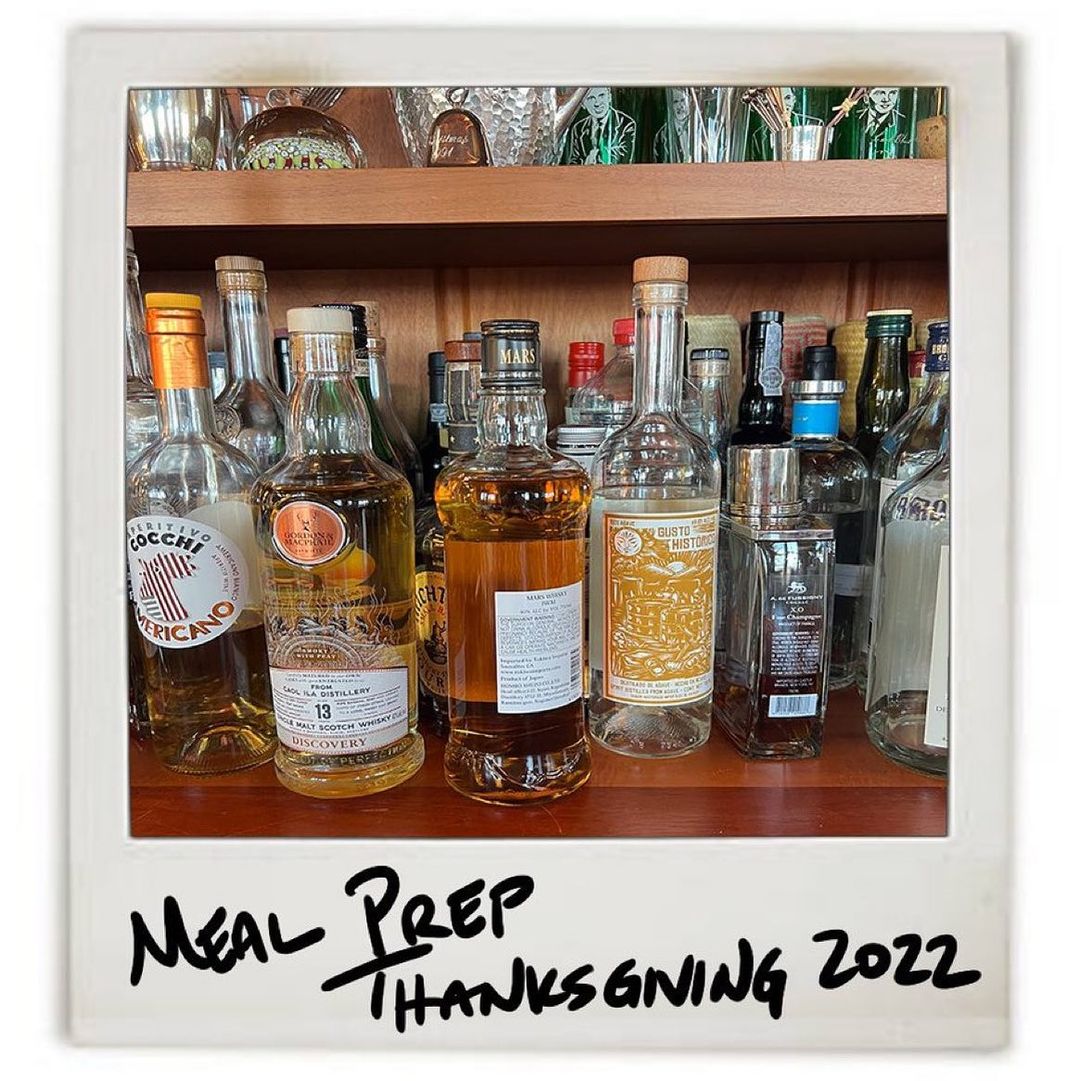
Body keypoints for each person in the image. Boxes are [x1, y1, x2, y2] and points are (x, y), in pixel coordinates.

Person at [565, 87, 637, 165]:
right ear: (582, 104)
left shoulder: (626, 124)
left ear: (609, 97)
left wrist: (597, 156)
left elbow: (623, 158)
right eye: (591, 98)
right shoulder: (578, 128)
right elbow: (573, 162)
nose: (597, 103)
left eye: (601, 96)